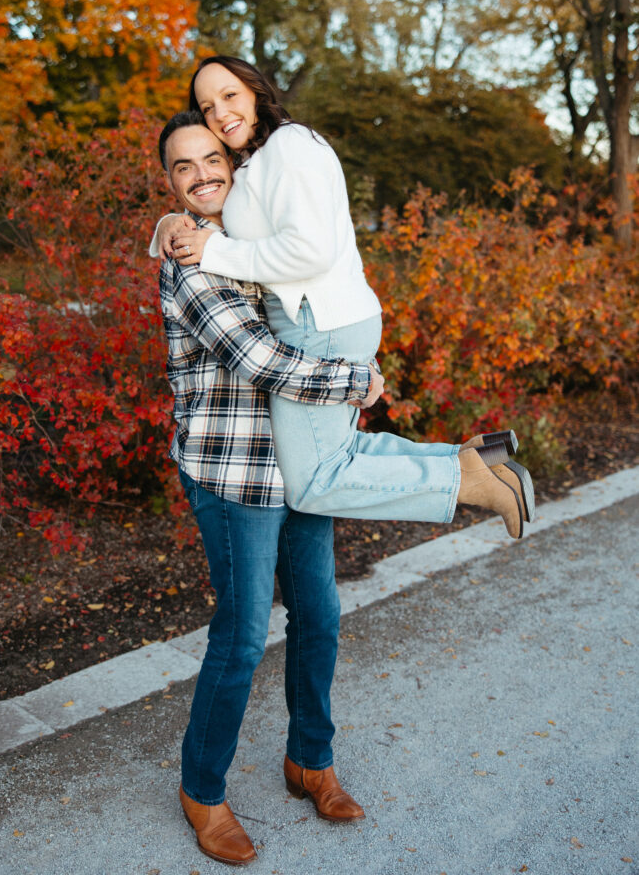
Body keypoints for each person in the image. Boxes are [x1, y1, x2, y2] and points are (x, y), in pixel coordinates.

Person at [151, 56, 535, 540]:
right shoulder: (259, 158)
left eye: (229, 95)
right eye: (207, 107)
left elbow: (308, 251)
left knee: (313, 483)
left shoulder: (290, 147)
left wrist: (215, 249)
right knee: (337, 456)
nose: (220, 112)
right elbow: (216, 213)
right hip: (318, 318)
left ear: (253, 90)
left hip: (318, 320)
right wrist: (168, 224)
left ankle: (466, 481)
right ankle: (472, 461)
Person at [158, 111, 380, 866]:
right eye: (182, 168)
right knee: (245, 633)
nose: (200, 175)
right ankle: (202, 789)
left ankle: (308, 762)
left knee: (319, 615)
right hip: (231, 475)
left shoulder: (250, 246)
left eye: (210, 159)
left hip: (296, 464)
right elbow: (258, 360)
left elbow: (317, 278)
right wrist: (357, 379)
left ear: (234, 164)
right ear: (170, 184)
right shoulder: (188, 261)